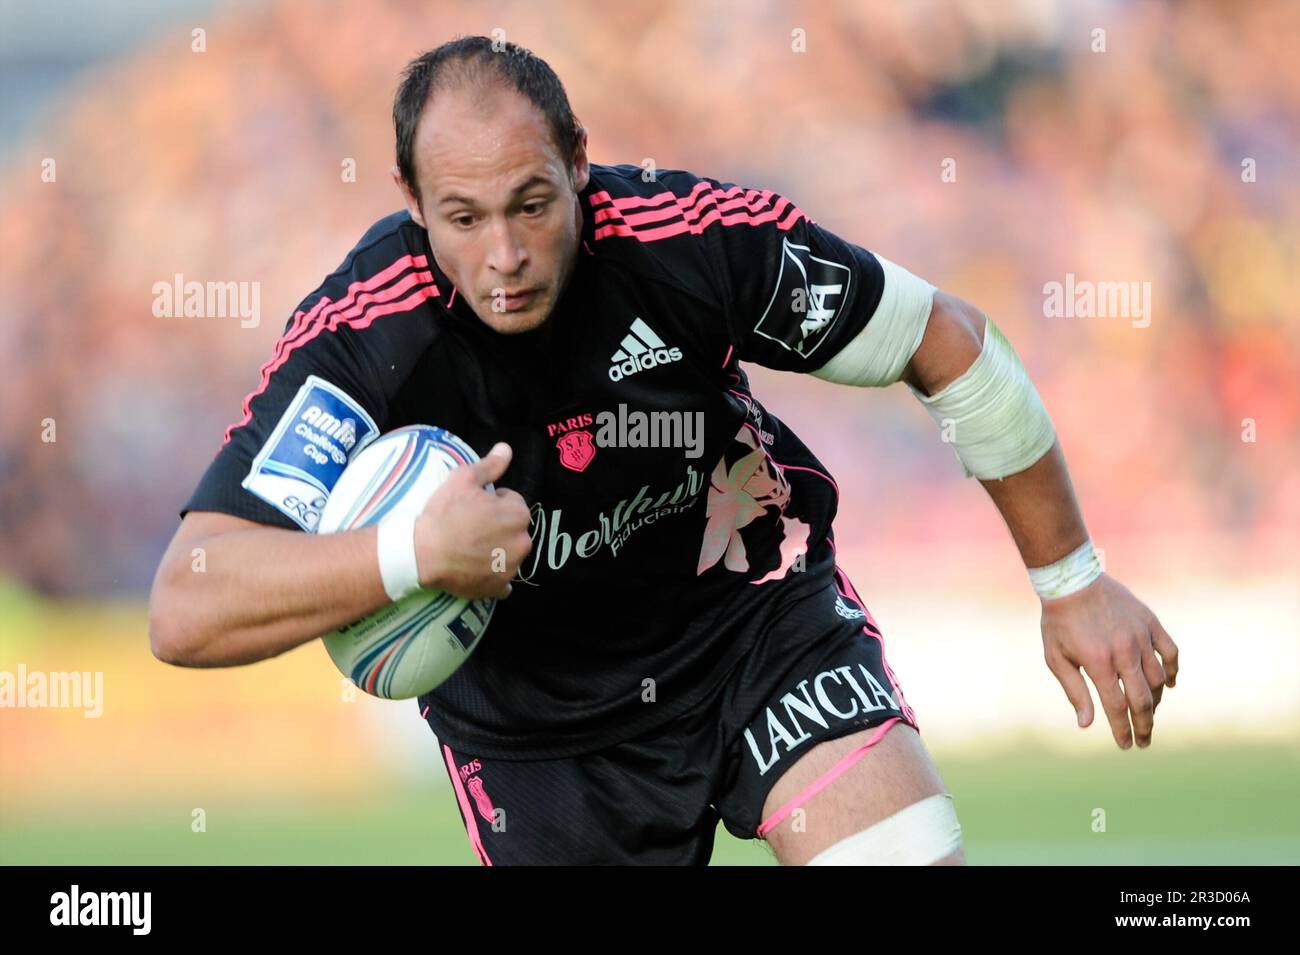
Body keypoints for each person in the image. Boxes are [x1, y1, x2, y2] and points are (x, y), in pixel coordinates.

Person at [149, 36, 1179, 866]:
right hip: (537, 735)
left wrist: (1073, 581)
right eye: (462, 218)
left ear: (578, 164)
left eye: (532, 204)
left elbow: (945, 341)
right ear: (411, 203)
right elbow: (186, 602)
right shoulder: (360, 339)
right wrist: (415, 556)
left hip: (755, 627)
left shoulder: (687, 241)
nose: (503, 256)